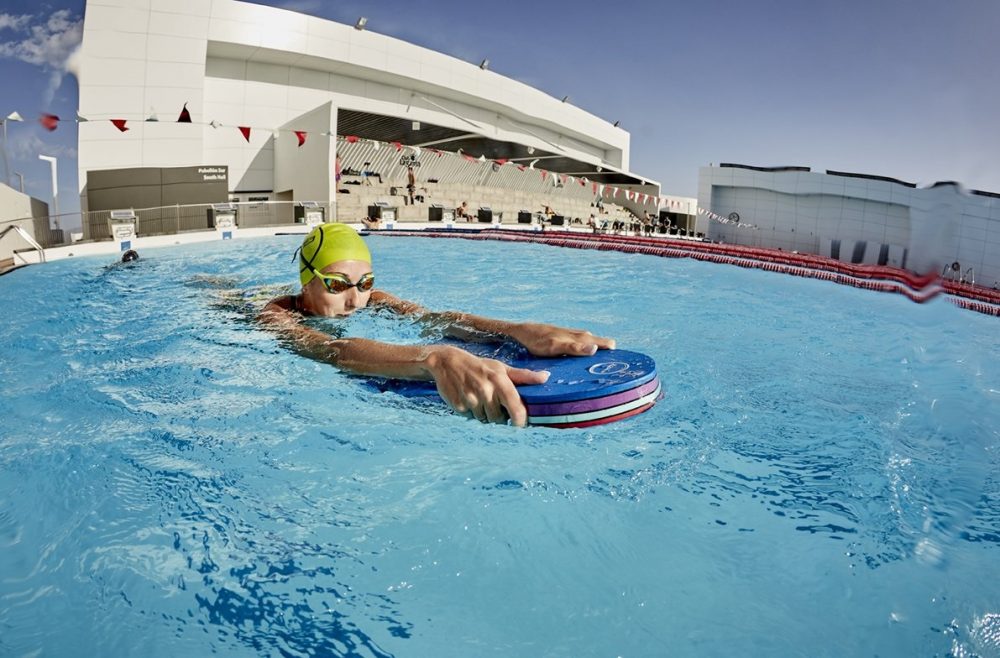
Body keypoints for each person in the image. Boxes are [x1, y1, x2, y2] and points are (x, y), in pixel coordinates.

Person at [261, 223, 614, 426]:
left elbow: (431, 318)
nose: (355, 301)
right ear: (305, 282)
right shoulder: (275, 315)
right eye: (336, 285)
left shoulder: (375, 300)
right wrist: (434, 359)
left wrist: (514, 329)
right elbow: (328, 349)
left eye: (364, 283)